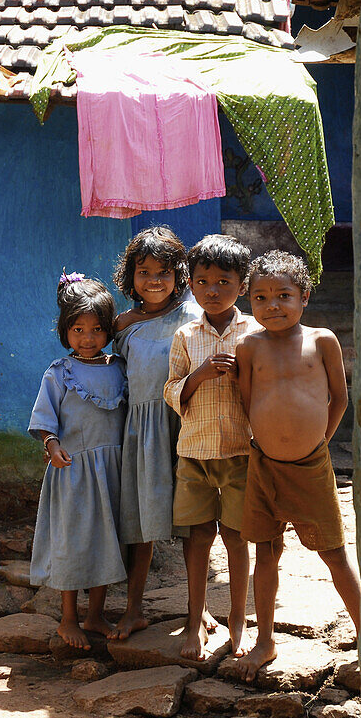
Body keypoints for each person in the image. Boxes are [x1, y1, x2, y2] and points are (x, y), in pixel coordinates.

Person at [233, 250, 361, 682]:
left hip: (311, 466)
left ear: (304, 297)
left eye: (284, 295)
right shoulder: (249, 346)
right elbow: (247, 400)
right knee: (265, 552)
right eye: (261, 297)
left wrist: (318, 443)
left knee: (334, 553)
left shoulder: (322, 340)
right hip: (265, 465)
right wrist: (267, 441)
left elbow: (339, 399)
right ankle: (265, 640)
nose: (272, 305)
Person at [109, 225, 208, 640]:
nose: (153, 280)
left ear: (179, 275)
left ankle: (197, 612)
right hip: (141, 433)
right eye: (144, 270)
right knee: (140, 524)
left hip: (184, 427)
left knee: (192, 524)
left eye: (164, 272)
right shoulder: (121, 324)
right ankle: (133, 609)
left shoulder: (192, 316)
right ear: (130, 275)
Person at [163, 235, 258, 661]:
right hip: (195, 452)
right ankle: (194, 618)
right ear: (189, 282)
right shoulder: (186, 335)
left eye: (224, 281)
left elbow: (268, 390)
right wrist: (199, 376)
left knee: (237, 537)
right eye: (202, 281)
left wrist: (244, 378)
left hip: (242, 451)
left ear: (243, 284)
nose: (212, 290)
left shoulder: (256, 332)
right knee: (198, 536)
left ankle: (238, 620)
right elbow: (171, 389)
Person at [28, 274, 128, 648]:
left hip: (112, 472)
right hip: (74, 471)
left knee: (106, 540)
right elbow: (44, 420)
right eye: (78, 329)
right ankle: (68, 619)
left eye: (97, 329)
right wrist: (52, 446)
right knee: (73, 541)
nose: (88, 338)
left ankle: (95, 614)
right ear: (64, 330)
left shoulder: (119, 368)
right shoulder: (59, 373)